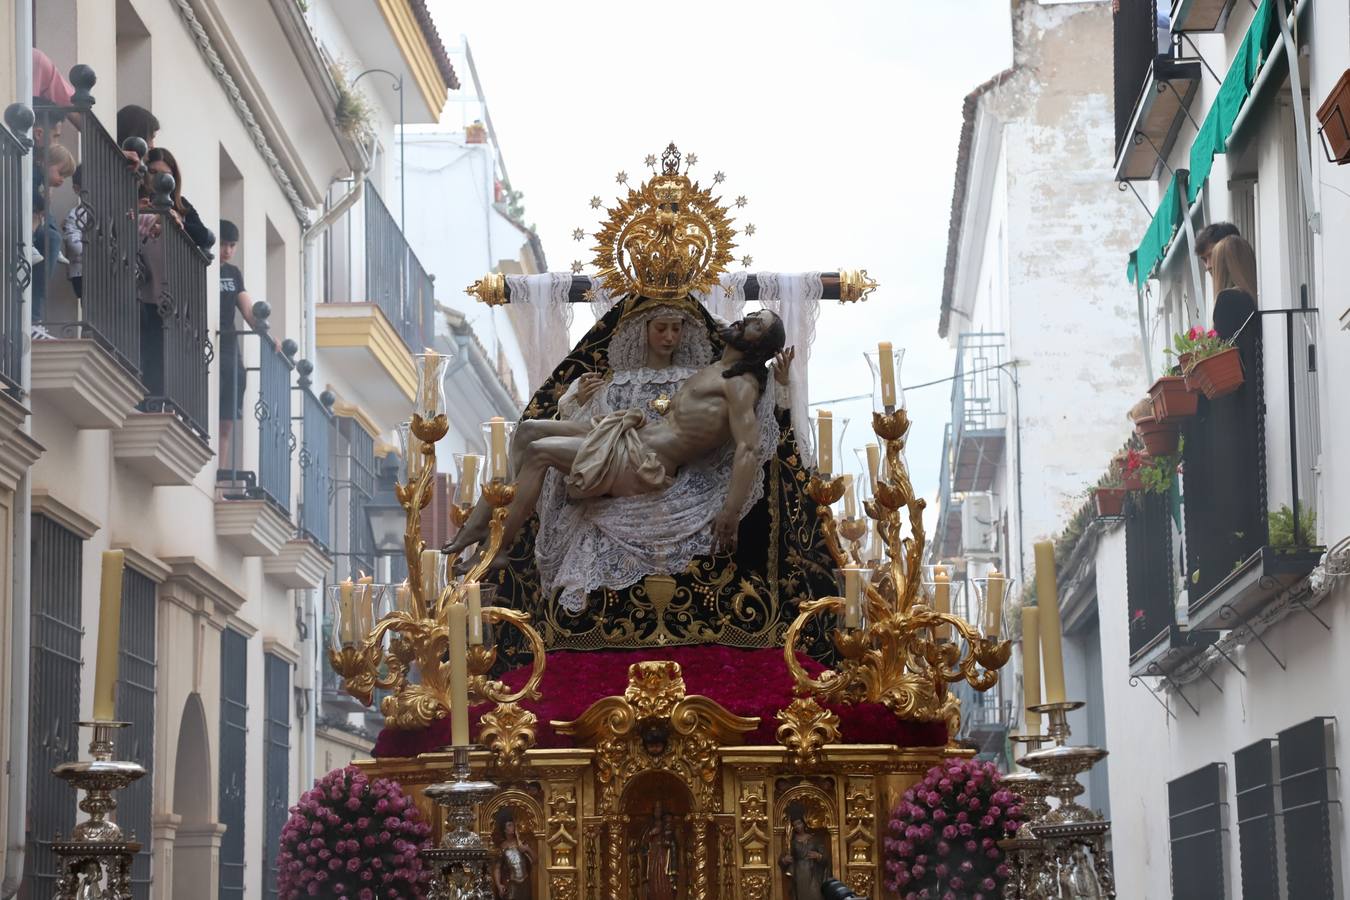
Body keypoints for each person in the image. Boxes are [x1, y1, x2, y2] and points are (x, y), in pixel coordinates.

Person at [460, 309, 787, 579]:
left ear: (759, 346)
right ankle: (479, 522)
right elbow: (716, 320)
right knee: (528, 431)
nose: (746, 320)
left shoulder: (741, 385)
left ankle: (497, 548)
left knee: (538, 452)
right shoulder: (716, 369)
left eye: (757, 324)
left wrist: (730, 511)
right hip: (631, 435)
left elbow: (748, 448)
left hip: (643, 462)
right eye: (752, 315)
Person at [217, 220, 266, 470]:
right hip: (207, 341)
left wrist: (267, 334)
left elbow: (249, 311)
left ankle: (220, 473)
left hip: (228, 345)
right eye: (223, 244)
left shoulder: (233, 273)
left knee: (227, 419)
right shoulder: (204, 263)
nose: (227, 250)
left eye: (232, 245)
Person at [144, 147, 213, 250]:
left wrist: (176, 222)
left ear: (174, 178)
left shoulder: (180, 203)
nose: (159, 179)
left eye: (166, 175)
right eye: (153, 172)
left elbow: (204, 237)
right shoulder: (134, 196)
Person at [779, 807, 827, 900]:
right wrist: (785, 860)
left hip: (814, 873)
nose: (797, 826)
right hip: (799, 873)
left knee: (816, 895)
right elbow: (782, 858)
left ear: (804, 823)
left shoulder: (815, 839)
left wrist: (818, 856)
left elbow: (826, 858)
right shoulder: (791, 842)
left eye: (799, 823)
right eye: (795, 825)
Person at [492, 810, 534, 899]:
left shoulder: (522, 843)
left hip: (525, 882)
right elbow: (497, 868)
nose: (513, 827)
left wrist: (527, 849)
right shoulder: (502, 847)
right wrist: (499, 885)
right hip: (512, 883)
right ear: (504, 830)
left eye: (513, 825)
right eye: (509, 825)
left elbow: (536, 860)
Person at [641, 805, 678, 900]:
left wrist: (665, 842)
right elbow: (644, 844)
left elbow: (672, 842)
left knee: (664, 879)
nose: (658, 812)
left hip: (664, 857)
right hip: (653, 857)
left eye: (659, 810)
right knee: (653, 880)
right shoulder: (650, 827)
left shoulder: (667, 826)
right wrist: (651, 834)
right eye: (656, 810)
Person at [62, 164, 84, 299]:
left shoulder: (108, 213)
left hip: (104, 271)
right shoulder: (75, 214)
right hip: (81, 274)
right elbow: (74, 245)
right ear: (77, 189)